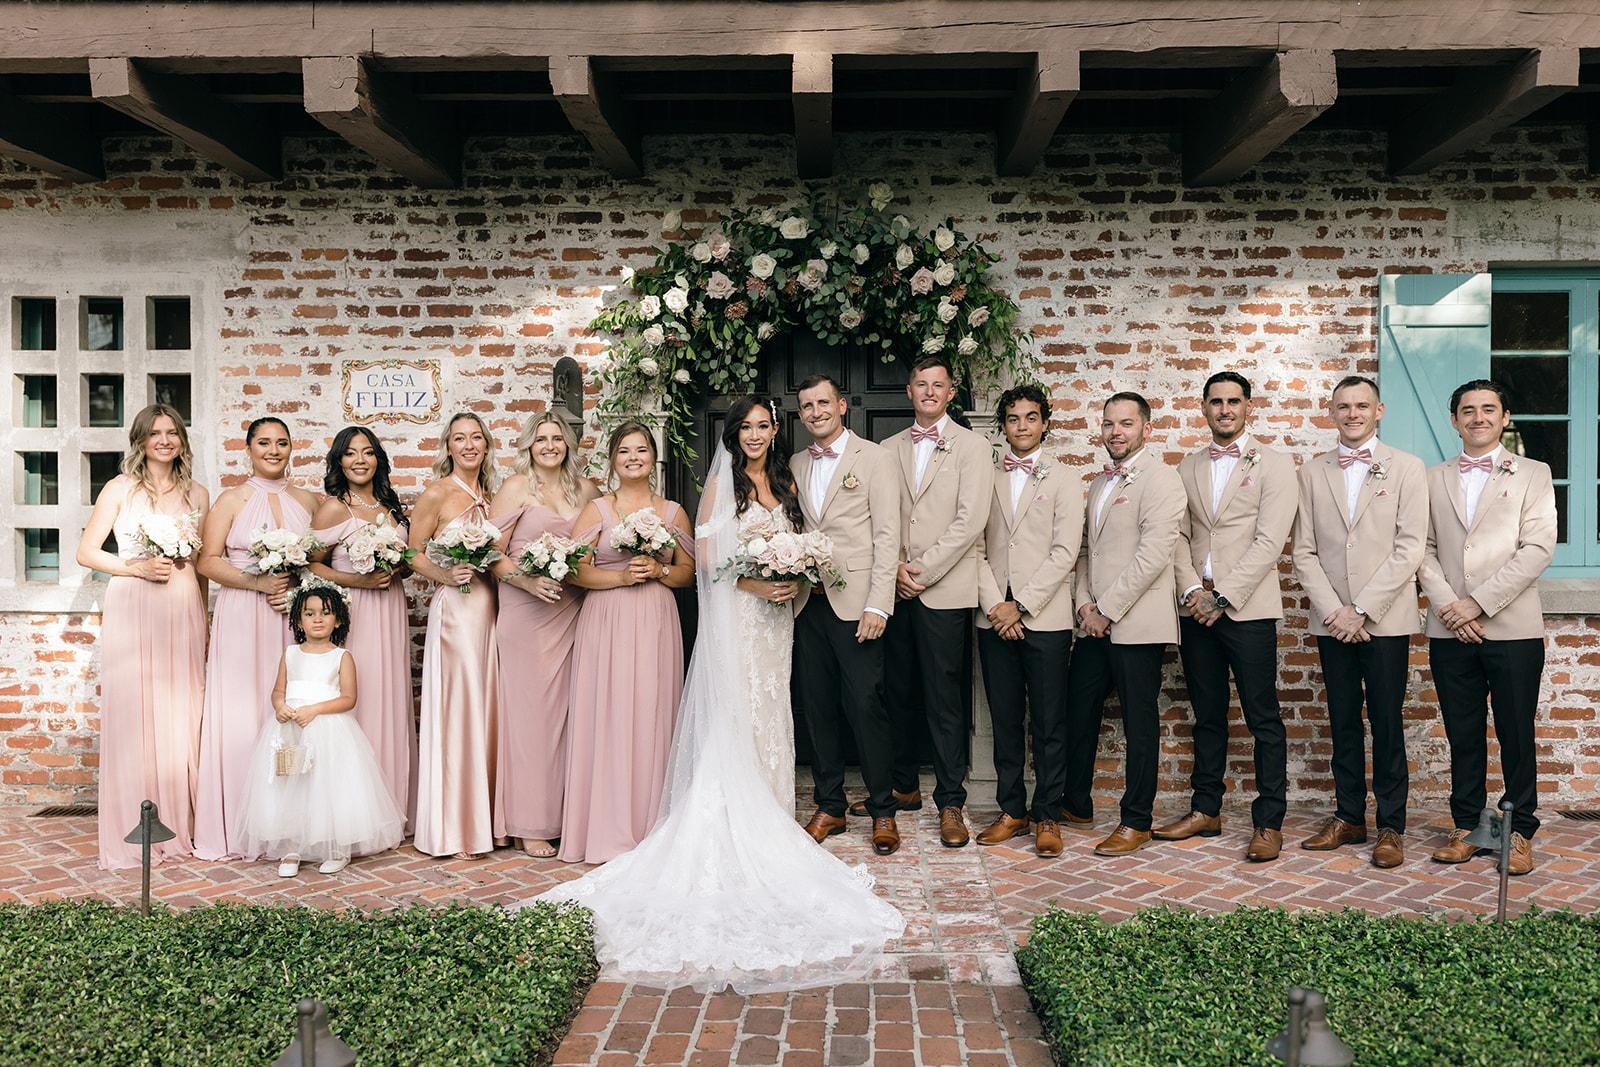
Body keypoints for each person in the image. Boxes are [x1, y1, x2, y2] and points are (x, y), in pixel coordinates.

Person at [536, 404, 905, 993]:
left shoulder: (785, 482)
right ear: (733, 436)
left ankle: (772, 813)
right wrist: (757, 579)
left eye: (763, 426)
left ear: (774, 431)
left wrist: (795, 574)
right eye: (745, 428)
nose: (754, 435)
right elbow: (706, 560)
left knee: (771, 711)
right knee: (739, 710)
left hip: (776, 621)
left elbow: (803, 544)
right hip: (740, 615)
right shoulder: (720, 489)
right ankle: (735, 818)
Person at [1419, 379, 1556, 875]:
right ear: (1454, 420)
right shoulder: (1431, 478)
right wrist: (1450, 608)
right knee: (1462, 733)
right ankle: (1467, 826)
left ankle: (1519, 831)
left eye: (1488, 409)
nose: (1478, 417)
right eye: (1468, 410)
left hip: (1512, 627)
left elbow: (1537, 548)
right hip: (1450, 629)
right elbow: (1422, 548)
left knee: (1516, 732)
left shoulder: (1534, 473)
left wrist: (1477, 604)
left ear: (1504, 417)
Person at [1160, 371, 1297, 862]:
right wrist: (1192, 591)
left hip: (1248, 609)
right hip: (1197, 610)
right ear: (1204, 407)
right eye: (1215, 401)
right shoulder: (1187, 466)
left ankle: (1268, 822)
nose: (1224, 409)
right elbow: (1177, 535)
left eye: (1233, 401)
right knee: (1207, 714)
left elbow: (1270, 541)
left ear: (1247, 407)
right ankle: (1206, 810)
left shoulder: (1275, 465)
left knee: (1263, 717)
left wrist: (1223, 597)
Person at [1292, 375, 1427, 869]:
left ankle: (1391, 825)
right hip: (1333, 621)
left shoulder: (1408, 468)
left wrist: (1362, 609)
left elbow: (1409, 548)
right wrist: (1336, 612)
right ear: (1332, 413)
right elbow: (1303, 551)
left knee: (1387, 722)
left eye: (1362, 406)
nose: (1353, 414)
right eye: (1344, 406)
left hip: (1384, 620)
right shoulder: (1312, 472)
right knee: (1342, 720)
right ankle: (1349, 816)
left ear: (1379, 410)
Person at [77, 403, 210, 870]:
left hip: (182, 604)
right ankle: (134, 826)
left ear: (182, 440)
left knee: (182, 712)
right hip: (133, 604)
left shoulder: (198, 493)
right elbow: (86, 552)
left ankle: (179, 823)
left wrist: (204, 621)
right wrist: (134, 567)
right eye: (155, 433)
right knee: (135, 713)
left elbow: (201, 567)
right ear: (141, 440)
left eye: (173, 432)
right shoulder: (119, 489)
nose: (165, 441)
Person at [558, 422, 695, 863]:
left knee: (651, 713)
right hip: (607, 620)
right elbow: (574, 571)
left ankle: (651, 825)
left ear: (653, 458)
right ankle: (606, 825)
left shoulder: (673, 512)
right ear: (613, 460)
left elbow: (688, 574)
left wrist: (659, 571)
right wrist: (620, 576)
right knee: (609, 713)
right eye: (624, 451)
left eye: (641, 450)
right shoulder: (597, 510)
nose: (633, 458)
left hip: (655, 620)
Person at [876, 356, 994, 848]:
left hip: (942, 590)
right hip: (893, 588)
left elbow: (970, 521)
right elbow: (878, 516)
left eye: (937, 385)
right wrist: (894, 570)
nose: (929, 391)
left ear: (951, 392)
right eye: (921, 384)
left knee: (945, 698)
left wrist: (920, 572)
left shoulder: (973, 446)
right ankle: (903, 785)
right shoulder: (886, 449)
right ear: (909, 391)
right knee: (896, 690)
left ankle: (950, 802)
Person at [1063, 392, 1186, 857]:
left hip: (1137, 623)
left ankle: (1136, 820)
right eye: (1109, 424)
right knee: (1078, 709)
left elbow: (1153, 556)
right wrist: (1083, 606)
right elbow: (1085, 552)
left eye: (1126, 424)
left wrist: (1107, 610)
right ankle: (1076, 803)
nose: (1116, 432)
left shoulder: (1163, 480)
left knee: (1140, 721)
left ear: (1146, 429)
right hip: (1093, 622)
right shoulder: (1098, 483)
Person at [193, 416, 318, 860]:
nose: (273, 450)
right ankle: (238, 824)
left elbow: (317, 563)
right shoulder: (231, 499)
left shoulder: (309, 501)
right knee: (243, 713)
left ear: (291, 449)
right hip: (244, 615)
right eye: (264, 443)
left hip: (290, 618)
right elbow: (207, 561)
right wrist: (258, 582)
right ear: (248, 449)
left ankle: (289, 825)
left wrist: (298, 590)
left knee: (290, 712)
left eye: (282, 443)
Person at [789, 375, 904, 855]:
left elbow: (888, 535)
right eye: (806, 406)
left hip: (857, 603)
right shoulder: (795, 463)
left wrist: (879, 603)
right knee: (817, 706)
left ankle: (882, 809)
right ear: (800, 415)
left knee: (865, 705)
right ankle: (830, 804)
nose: (815, 412)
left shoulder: (874, 458)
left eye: (823, 402)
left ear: (841, 406)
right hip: (807, 602)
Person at [972, 385, 1083, 858]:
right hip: (993, 618)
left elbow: (1065, 552)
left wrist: (1021, 605)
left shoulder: (1065, 479)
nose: (1022, 426)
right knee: (1004, 719)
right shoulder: (985, 478)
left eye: (1031, 417)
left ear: (1045, 423)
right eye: (1014, 418)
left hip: (1046, 618)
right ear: (1003, 425)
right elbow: (974, 546)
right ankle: (1012, 810)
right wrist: (996, 605)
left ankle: (1047, 814)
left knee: (1050, 721)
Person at [487, 411, 599, 858]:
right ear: (529, 446)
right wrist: (527, 581)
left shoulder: (587, 490)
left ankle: (565, 815)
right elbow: (491, 554)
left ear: (568, 444)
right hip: (526, 612)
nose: (550, 446)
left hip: (572, 609)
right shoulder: (515, 488)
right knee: (531, 720)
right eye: (541, 439)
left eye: (557, 438)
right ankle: (528, 822)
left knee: (570, 716)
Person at [234, 584, 405, 877]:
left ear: (338, 620)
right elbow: (278, 691)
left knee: (330, 787)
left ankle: (336, 849)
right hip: (291, 731)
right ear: (299, 621)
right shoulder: (290, 654)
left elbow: (349, 698)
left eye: (325, 613)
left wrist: (314, 710)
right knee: (292, 788)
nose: (317, 619)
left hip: (329, 733)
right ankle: (292, 847)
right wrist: (279, 706)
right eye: (310, 613)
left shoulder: (341, 657)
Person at [307, 426, 416, 829]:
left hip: (390, 610)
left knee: (390, 699)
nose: (360, 460)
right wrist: (359, 580)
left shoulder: (390, 506)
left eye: (368, 452)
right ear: (339, 461)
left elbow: (406, 564)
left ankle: (391, 807)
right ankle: (354, 815)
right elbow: (311, 565)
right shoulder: (335, 508)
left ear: (378, 460)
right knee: (362, 701)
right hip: (357, 614)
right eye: (350, 453)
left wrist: (397, 565)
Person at [408, 411, 503, 859]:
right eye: (459, 438)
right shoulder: (438, 493)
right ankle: (457, 826)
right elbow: (412, 553)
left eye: (476, 438)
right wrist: (445, 575)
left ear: (486, 445)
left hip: (491, 606)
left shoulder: (494, 496)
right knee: (461, 705)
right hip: (458, 612)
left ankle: (488, 818)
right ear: (448, 446)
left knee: (487, 703)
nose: (468, 445)